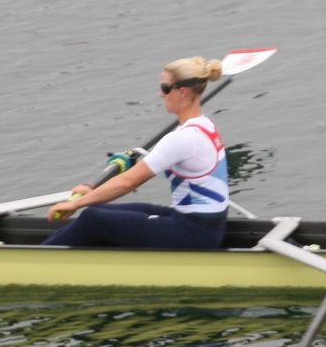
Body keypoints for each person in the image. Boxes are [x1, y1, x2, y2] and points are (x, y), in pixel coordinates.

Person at [42, 56, 230, 249]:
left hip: (195, 234)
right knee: (97, 208)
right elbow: (148, 164)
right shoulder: (205, 125)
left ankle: (40, 258)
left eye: (165, 88)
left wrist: (76, 204)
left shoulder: (183, 138)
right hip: (203, 225)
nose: (160, 94)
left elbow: (127, 182)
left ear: (182, 92)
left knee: (93, 219)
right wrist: (91, 194)